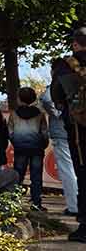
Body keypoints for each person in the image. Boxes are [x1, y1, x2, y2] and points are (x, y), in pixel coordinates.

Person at [51, 27, 86, 243]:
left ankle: (85, 227)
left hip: (78, 130)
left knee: (83, 173)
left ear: (75, 44)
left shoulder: (67, 65)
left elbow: (56, 93)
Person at [43, 64, 78, 218]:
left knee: (67, 170)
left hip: (61, 131)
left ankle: (74, 206)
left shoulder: (56, 84)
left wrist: (58, 113)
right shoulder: (77, 81)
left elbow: (46, 99)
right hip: (77, 130)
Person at [7, 86, 49, 210]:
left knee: (18, 175)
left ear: (19, 99)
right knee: (36, 176)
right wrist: (43, 144)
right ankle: (36, 203)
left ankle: (15, 203)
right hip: (37, 149)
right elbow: (44, 133)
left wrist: (16, 143)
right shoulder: (40, 115)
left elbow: (10, 133)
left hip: (20, 148)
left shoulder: (14, 114)